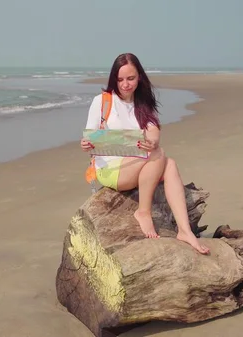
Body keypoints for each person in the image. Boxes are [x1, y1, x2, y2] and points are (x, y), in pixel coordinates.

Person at [80, 53, 209, 255]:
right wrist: (86, 144)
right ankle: (143, 212)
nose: (125, 84)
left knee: (169, 162)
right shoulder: (103, 101)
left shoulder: (143, 104)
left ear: (139, 76)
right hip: (110, 169)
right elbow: (90, 135)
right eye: (120, 79)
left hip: (138, 164)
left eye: (130, 78)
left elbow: (154, 133)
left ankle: (184, 230)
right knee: (162, 156)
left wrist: (151, 143)